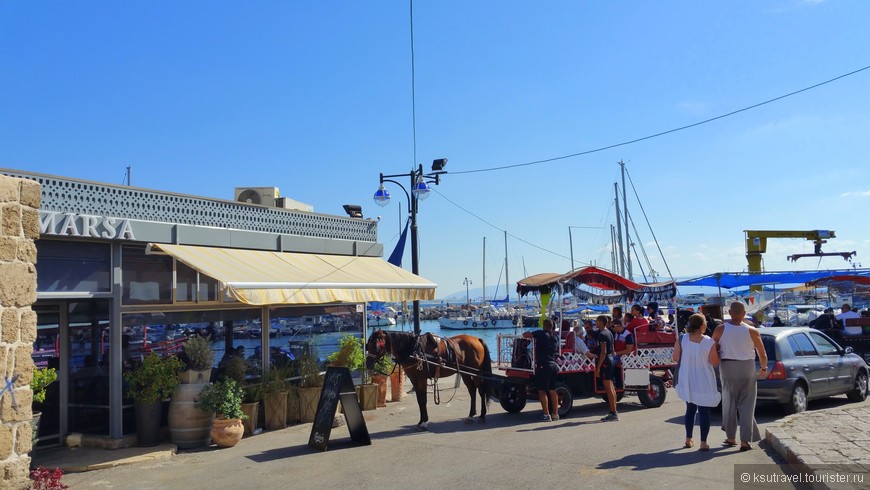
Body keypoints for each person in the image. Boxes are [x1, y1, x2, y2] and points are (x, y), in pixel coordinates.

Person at [712, 301, 768, 451]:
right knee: (747, 404)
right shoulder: (752, 331)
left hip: (728, 366)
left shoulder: (720, 329)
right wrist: (763, 368)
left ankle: (731, 437)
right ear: (744, 314)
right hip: (747, 367)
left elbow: (713, 348)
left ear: (729, 313)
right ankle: (745, 440)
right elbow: (762, 353)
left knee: (729, 401)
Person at [674, 313, 721, 451]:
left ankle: (688, 439)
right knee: (704, 411)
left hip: (687, 378)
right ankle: (703, 442)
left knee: (690, 409)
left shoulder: (682, 339)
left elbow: (675, 357)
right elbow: (714, 362)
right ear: (701, 325)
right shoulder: (709, 342)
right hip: (703, 379)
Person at [523, 318, 560, 421]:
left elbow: (526, 335)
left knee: (542, 390)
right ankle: (555, 414)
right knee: (552, 390)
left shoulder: (540, 333)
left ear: (544, 325)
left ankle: (546, 414)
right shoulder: (555, 337)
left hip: (543, 365)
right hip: (553, 364)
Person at [594, 315, 619, 422]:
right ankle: (613, 411)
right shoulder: (609, 332)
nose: (595, 323)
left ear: (600, 322)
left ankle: (613, 412)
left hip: (605, 361)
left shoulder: (602, 334)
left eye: (596, 321)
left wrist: (598, 368)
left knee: (608, 387)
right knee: (611, 387)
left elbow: (603, 352)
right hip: (610, 359)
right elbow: (612, 349)